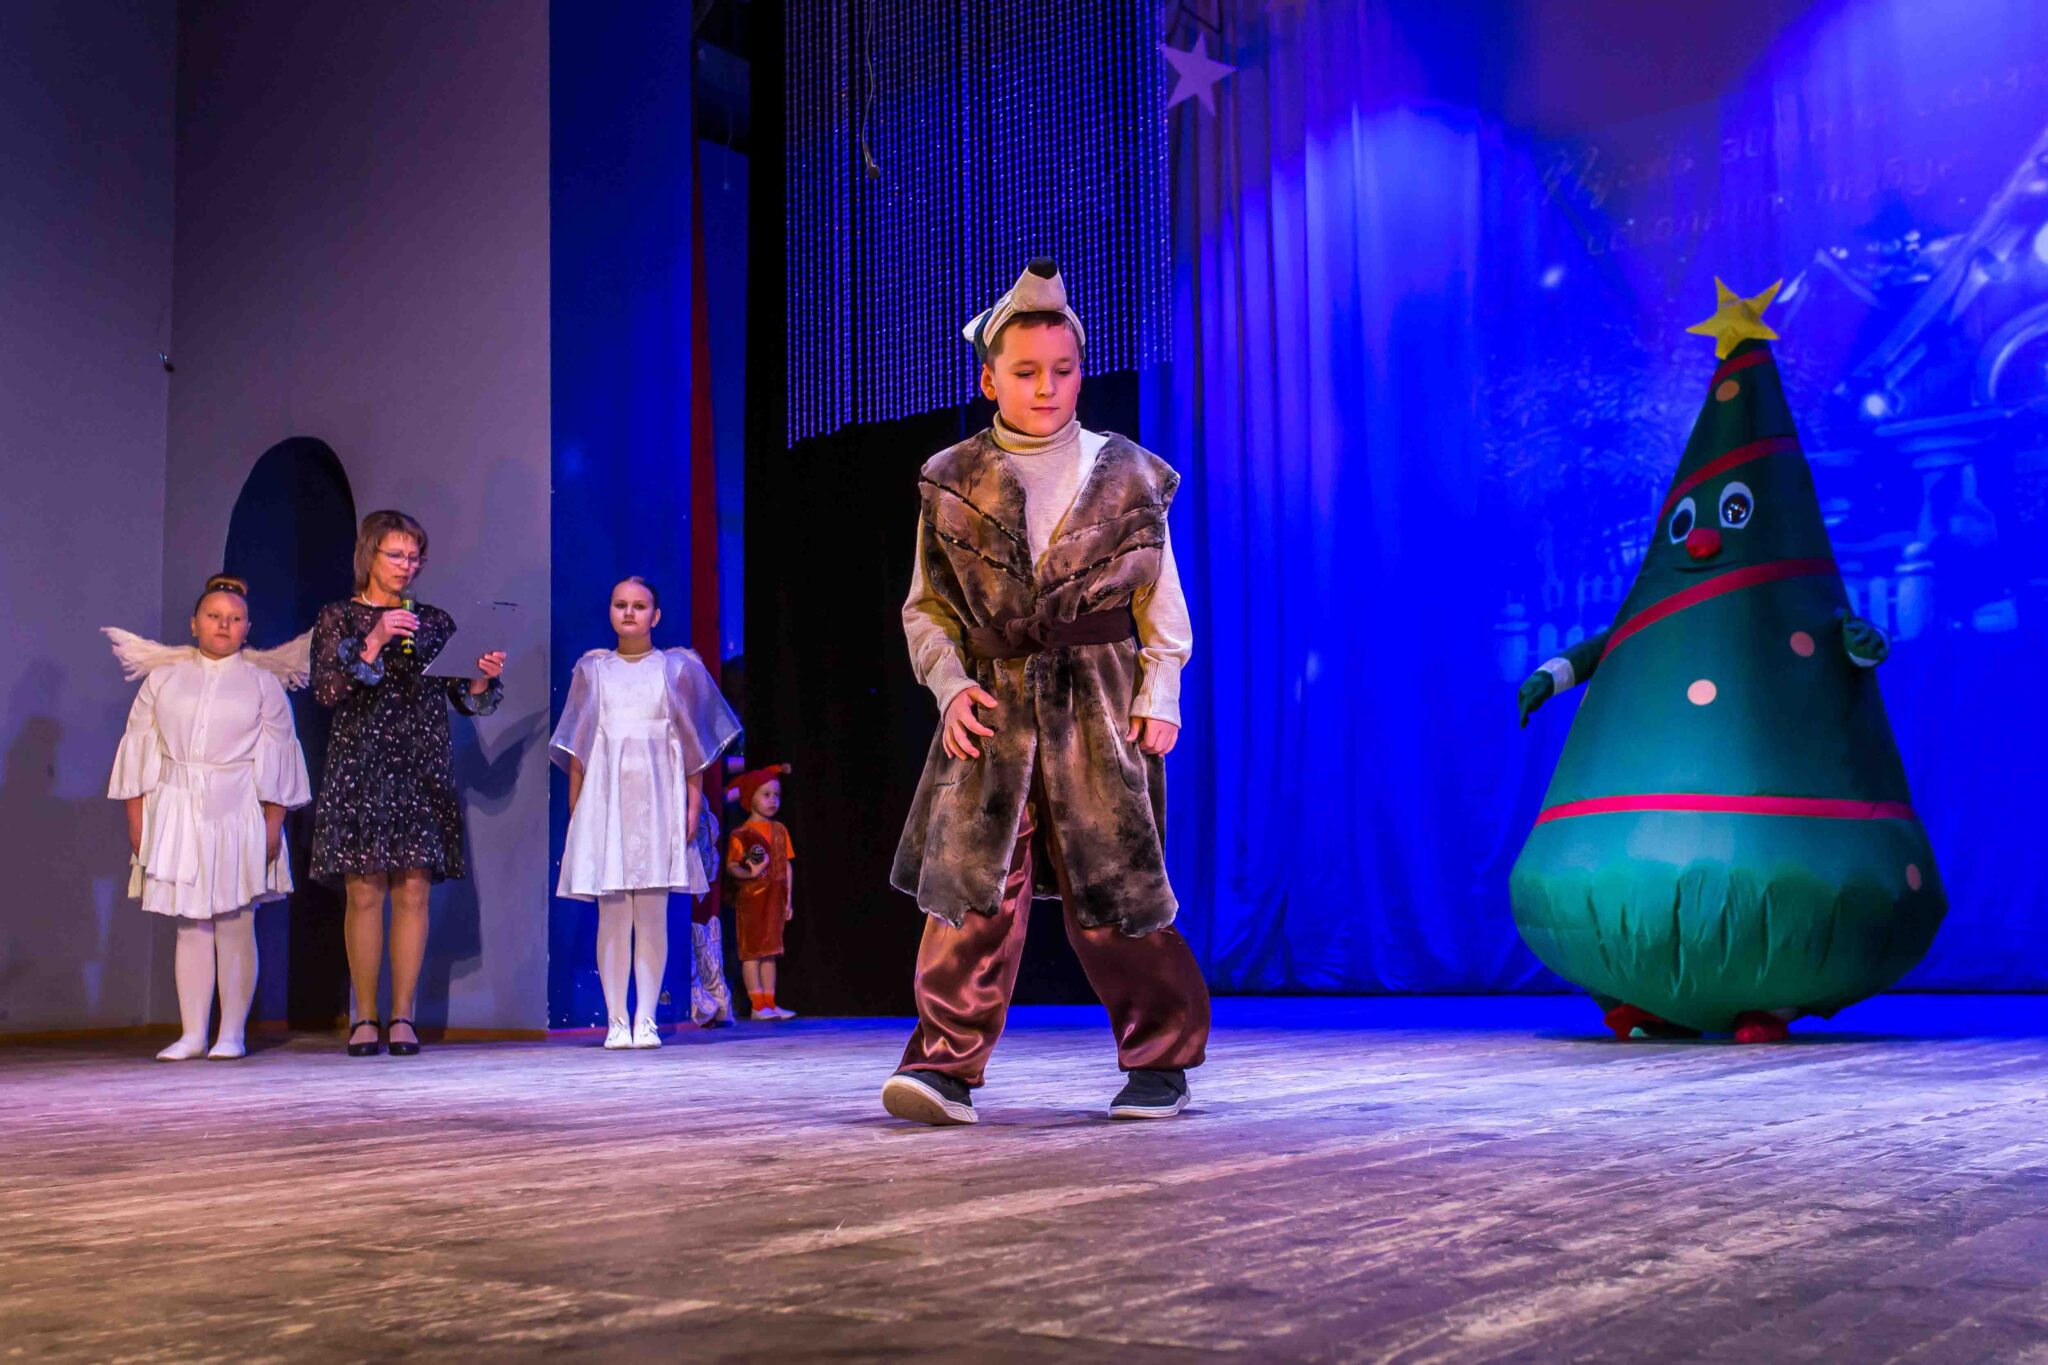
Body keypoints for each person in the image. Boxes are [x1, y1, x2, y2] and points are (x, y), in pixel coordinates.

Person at [883, 259, 1211, 1126]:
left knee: (1118, 883)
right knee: (972, 884)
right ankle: (944, 1064)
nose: (1046, 386)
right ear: (989, 379)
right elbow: (927, 609)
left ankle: (1160, 1060)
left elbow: (1161, 600)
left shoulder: (1128, 472)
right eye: (1025, 371)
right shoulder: (952, 479)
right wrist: (950, 687)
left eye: (1062, 370)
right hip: (993, 701)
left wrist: (1161, 688)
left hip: (1098, 696)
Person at [308, 510, 505, 1057]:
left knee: (414, 890)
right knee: (364, 891)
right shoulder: (338, 617)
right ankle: (363, 1017)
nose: (406, 566)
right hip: (361, 766)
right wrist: (373, 639)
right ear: (369, 556)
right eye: (395, 555)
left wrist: (481, 678)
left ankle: (402, 1016)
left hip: (420, 767)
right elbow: (326, 691)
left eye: (414, 557)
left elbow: (466, 698)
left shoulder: (434, 622)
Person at [104, 575, 312, 1060]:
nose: (224, 625)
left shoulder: (262, 685)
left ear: (247, 628)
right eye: (215, 616)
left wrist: (273, 824)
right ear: (195, 623)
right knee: (191, 923)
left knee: (235, 921)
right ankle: (193, 1033)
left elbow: (277, 758)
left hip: (237, 808)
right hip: (178, 808)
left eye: (235, 619)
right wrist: (137, 821)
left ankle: (231, 1033)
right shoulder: (164, 680)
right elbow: (140, 751)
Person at [551, 577, 742, 1048]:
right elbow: (578, 747)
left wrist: (692, 803)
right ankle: (617, 1018)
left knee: (652, 913)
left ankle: (646, 1018)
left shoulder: (675, 668)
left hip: (657, 798)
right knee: (613, 910)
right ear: (610, 611)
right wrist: (577, 807)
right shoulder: (594, 669)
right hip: (606, 800)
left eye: (639, 606)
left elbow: (692, 746)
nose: (629, 613)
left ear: (655, 615)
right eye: (620, 605)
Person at [723, 765, 795, 1019]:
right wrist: (750, 873)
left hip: (775, 899)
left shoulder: (780, 830)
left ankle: (769, 1002)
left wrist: (788, 900)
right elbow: (732, 866)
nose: (772, 800)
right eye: (766, 794)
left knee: (770, 951)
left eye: (776, 795)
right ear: (750, 796)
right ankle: (757, 1004)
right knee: (752, 952)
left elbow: (786, 865)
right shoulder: (742, 834)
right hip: (751, 901)